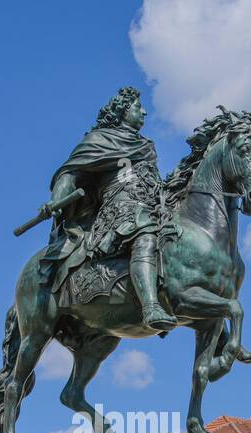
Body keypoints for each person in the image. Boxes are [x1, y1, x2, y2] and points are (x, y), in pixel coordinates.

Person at [39, 86, 177, 332]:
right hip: (118, 209)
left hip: (153, 204)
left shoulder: (146, 145)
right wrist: (57, 200)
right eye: (138, 107)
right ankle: (151, 307)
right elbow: (70, 174)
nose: (144, 113)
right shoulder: (100, 140)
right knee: (144, 231)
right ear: (123, 111)